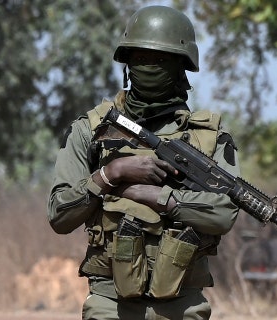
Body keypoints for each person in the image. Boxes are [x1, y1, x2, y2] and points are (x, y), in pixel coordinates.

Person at [47, 6, 240, 319]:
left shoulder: (208, 136)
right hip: (110, 303)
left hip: (183, 304)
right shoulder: (91, 129)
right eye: (140, 58)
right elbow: (59, 215)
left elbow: (223, 215)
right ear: (127, 63)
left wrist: (160, 198)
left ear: (182, 66)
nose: (149, 66)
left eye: (161, 60)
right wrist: (111, 174)